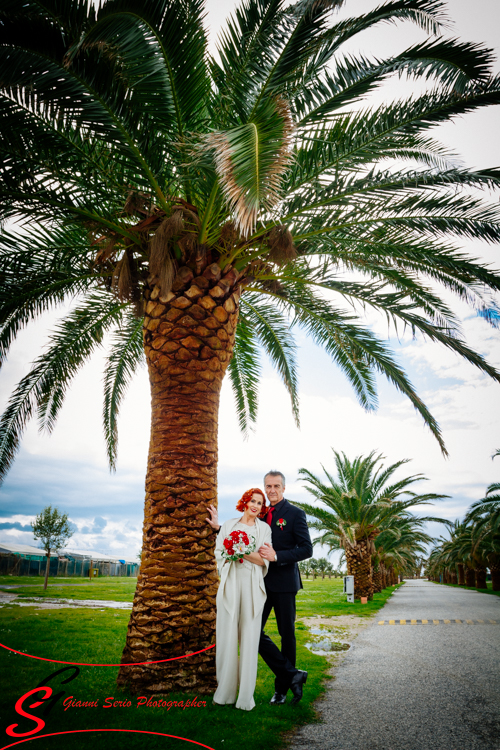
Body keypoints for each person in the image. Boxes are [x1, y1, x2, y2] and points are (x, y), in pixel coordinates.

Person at [207, 470, 313, 706]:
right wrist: (219, 529)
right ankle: (291, 673)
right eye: (268, 486)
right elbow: (242, 529)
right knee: (253, 634)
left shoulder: (295, 514)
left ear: (284, 488)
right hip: (257, 584)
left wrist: (278, 556)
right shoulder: (261, 513)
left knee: (287, 636)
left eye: (276, 486)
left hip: (284, 584)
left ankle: (282, 689)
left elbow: (307, 549)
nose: (272, 490)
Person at [212, 488, 272, 711]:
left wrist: (240, 549)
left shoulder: (264, 529)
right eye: (252, 501)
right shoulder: (228, 526)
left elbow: (263, 560)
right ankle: (225, 693)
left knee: (249, 638)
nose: (255, 506)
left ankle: (245, 698)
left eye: (260, 503)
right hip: (231, 582)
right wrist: (230, 550)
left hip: (252, 585)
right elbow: (220, 552)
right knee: (227, 637)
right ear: (245, 502)